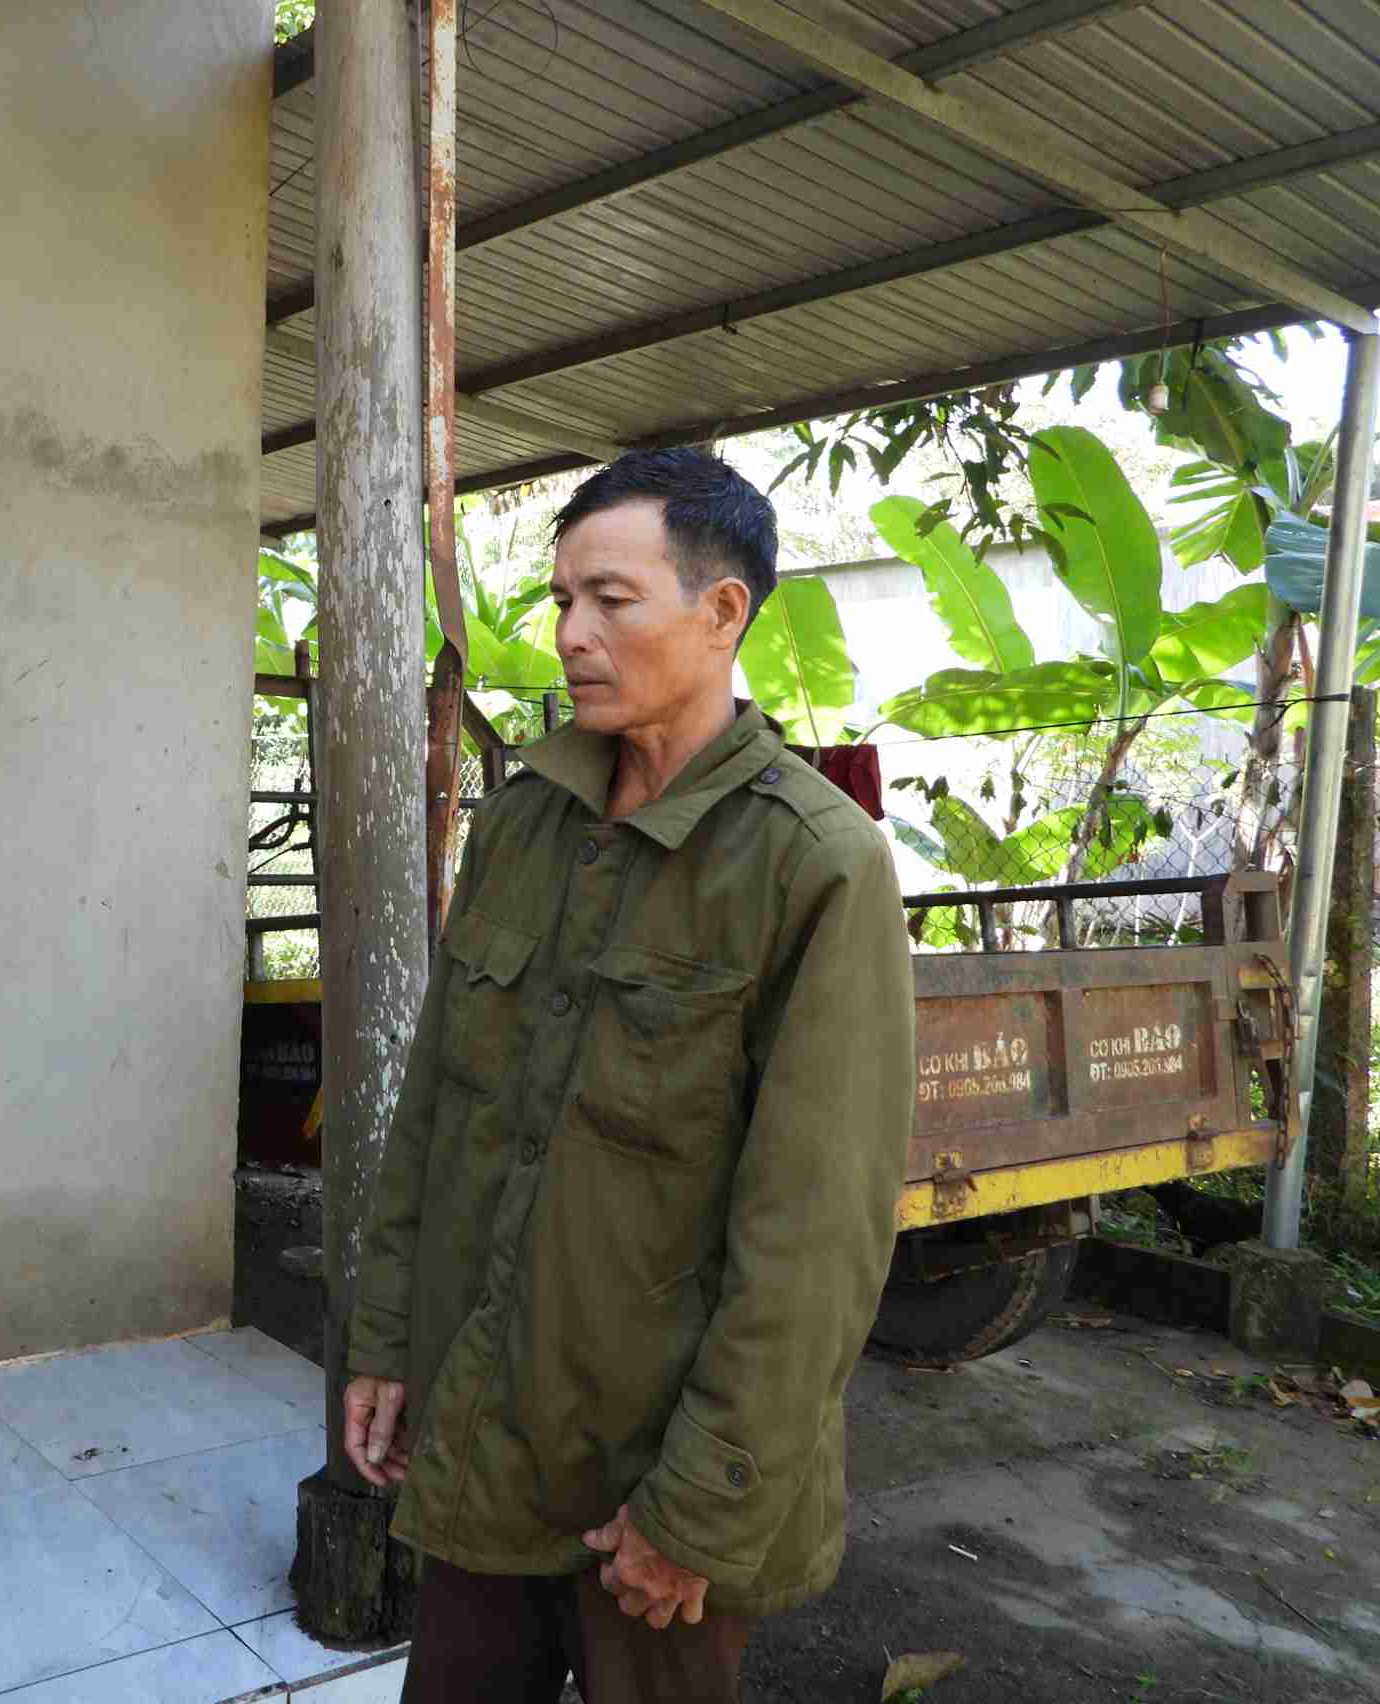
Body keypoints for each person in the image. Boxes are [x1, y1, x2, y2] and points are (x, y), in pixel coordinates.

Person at [342, 448, 915, 1703]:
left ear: (722, 615)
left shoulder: (814, 868)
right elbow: (433, 1109)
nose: (570, 634)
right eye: (561, 601)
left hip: (650, 1485)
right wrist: (386, 1339)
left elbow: (813, 1241)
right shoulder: (521, 825)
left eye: (612, 599)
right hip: (486, 1432)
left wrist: (701, 1508)